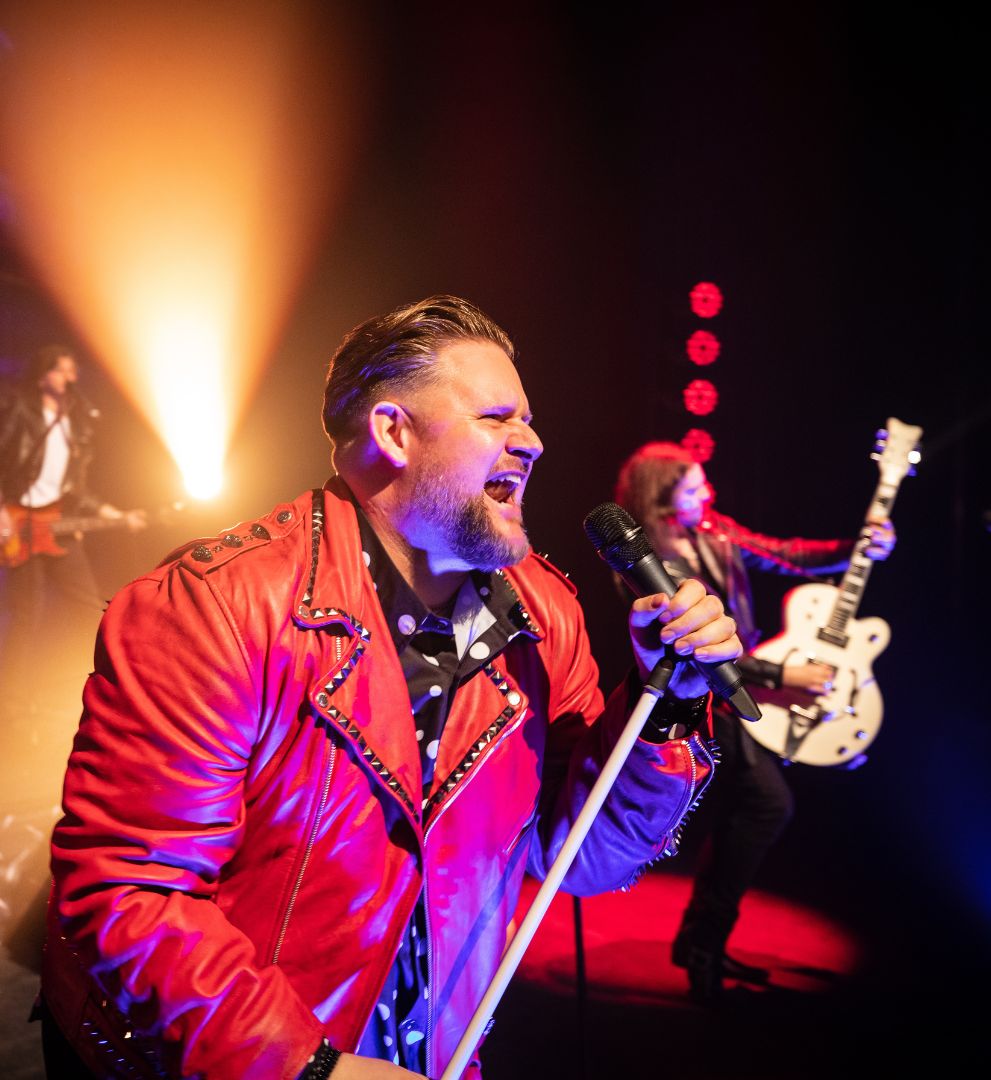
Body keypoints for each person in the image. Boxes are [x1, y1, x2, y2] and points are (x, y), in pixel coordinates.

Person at [37, 296, 745, 1080]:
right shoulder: (219, 606)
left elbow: (582, 858)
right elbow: (131, 891)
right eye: (497, 417)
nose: (533, 442)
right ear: (392, 432)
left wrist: (666, 701)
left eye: (530, 419)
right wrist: (308, 1069)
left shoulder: (545, 616)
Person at [612, 440, 895, 1001]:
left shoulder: (712, 531)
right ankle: (701, 944)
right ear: (663, 499)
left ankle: (702, 941)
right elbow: (694, 646)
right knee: (766, 804)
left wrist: (856, 547)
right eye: (694, 487)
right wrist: (780, 674)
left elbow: (787, 553)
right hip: (707, 702)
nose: (707, 493)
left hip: (743, 692)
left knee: (751, 809)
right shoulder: (655, 563)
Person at [0, 344, 147, 732]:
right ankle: (9, 708)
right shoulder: (17, 410)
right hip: (19, 523)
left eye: (72, 371)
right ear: (42, 374)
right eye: (62, 371)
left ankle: (110, 686)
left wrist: (111, 514)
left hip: (57, 525)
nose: (70, 378)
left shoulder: (75, 425)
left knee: (89, 605)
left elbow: (74, 489)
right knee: (25, 617)